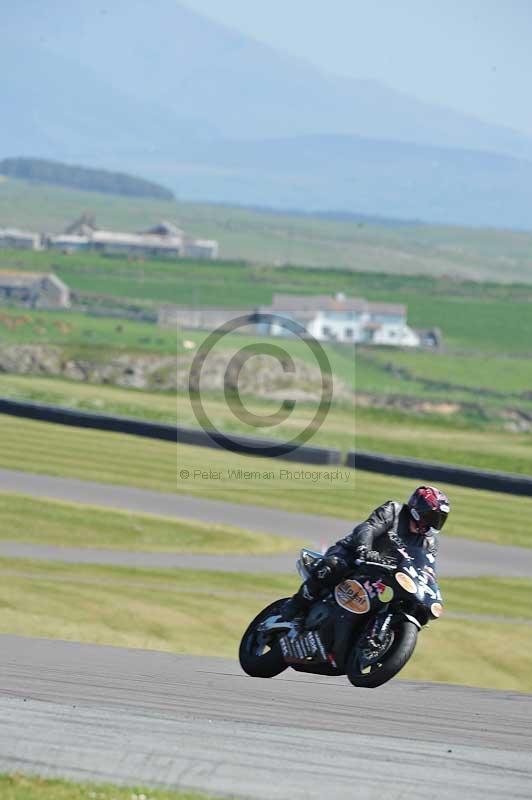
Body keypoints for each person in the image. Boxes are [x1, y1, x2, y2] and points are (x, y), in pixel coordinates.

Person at [283, 485, 450, 623]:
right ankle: (295, 605)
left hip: (387, 575)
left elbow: (427, 569)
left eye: (438, 519)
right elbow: (368, 527)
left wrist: (430, 593)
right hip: (355, 555)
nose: (432, 522)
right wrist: (364, 549)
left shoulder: (429, 541)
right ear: (417, 508)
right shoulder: (394, 511)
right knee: (333, 566)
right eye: (431, 516)